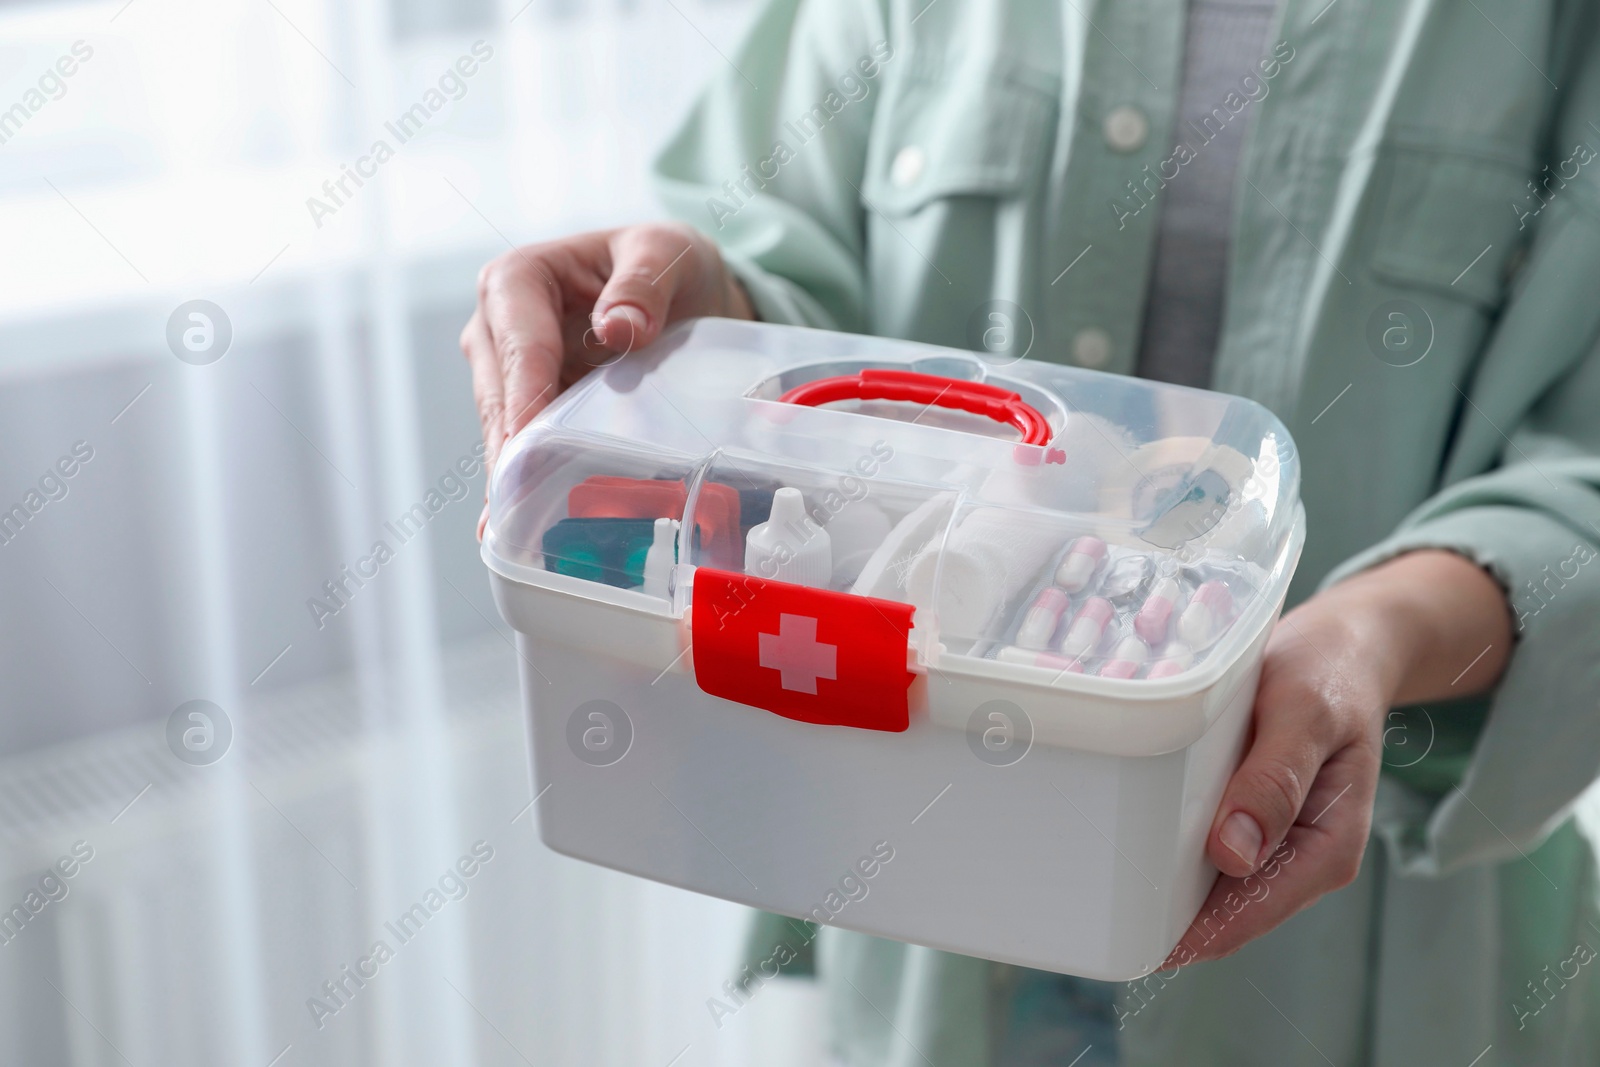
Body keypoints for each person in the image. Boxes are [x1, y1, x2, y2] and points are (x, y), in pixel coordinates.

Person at [461, 0, 1600, 1062]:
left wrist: (1372, 634)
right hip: (917, 881)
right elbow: (790, 247)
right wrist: (706, 331)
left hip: (1364, 955)